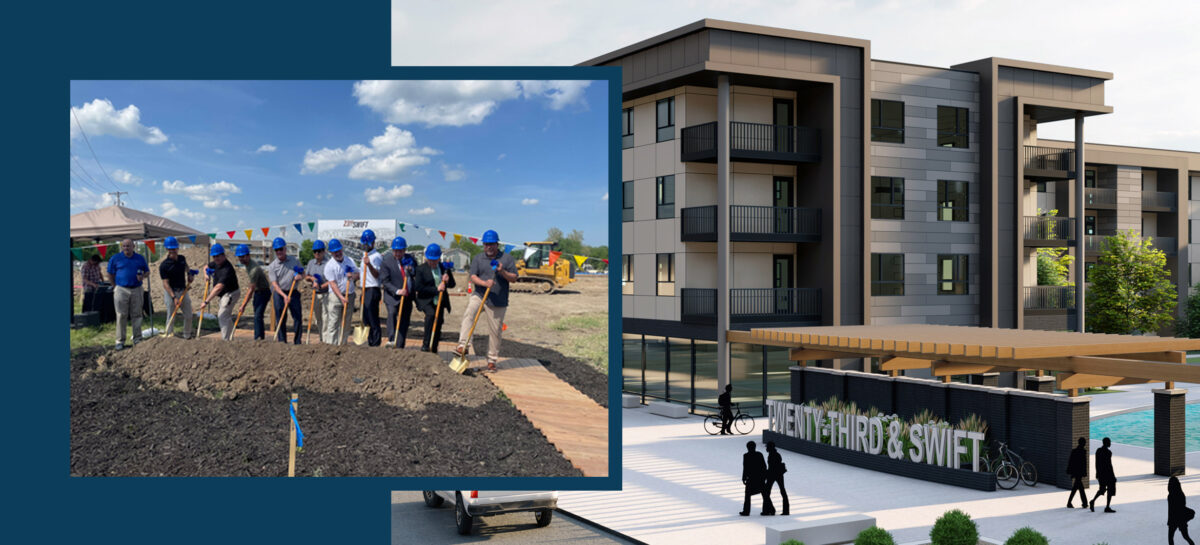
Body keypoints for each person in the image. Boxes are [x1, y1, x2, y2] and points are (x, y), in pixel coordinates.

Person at [455, 229, 517, 372]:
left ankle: (492, 360)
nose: (488, 247)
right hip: (480, 294)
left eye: (491, 244)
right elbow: (473, 277)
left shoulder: (507, 259)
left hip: (498, 300)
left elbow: (514, 278)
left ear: (497, 244)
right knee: (469, 314)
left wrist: (502, 271)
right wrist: (484, 283)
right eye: (486, 244)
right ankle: (463, 346)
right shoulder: (478, 258)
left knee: (495, 331)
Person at [107, 239, 150, 350]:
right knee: (121, 315)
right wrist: (115, 286)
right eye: (124, 246)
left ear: (133, 246)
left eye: (128, 246)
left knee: (137, 314)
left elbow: (147, 271)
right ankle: (120, 341)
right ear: (122, 247)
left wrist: (143, 276)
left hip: (137, 289)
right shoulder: (115, 258)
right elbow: (110, 273)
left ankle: (137, 339)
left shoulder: (140, 258)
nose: (126, 248)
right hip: (121, 289)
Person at [412, 243, 455, 353]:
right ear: (426, 258)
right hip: (426, 300)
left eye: (435, 260)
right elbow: (418, 287)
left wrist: (447, 280)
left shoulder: (443, 268)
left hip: (440, 301)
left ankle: (434, 348)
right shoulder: (421, 269)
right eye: (430, 260)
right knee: (431, 316)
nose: (432, 263)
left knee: (439, 322)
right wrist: (437, 289)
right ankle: (426, 345)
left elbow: (452, 284)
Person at [198, 243, 240, 340]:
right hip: (223, 294)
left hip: (231, 293)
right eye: (214, 256)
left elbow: (218, 288)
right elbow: (206, 267)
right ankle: (230, 336)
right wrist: (206, 275)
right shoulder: (216, 263)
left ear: (223, 255)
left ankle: (225, 340)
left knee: (222, 315)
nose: (216, 258)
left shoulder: (227, 269)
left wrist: (206, 301)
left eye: (218, 256)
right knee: (225, 315)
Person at [267, 237, 305, 344]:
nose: (279, 252)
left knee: (297, 317)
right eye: (277, 250)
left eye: (281, 249)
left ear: (285, 249)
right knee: (281, 318)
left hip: (293, 293)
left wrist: (300, 277)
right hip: (279, 293)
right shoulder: (272, 266)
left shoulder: (294, 261)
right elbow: (274, 284)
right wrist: (284, 296)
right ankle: (282, 342)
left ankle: (297, 342)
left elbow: (303, 273)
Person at [378, 236, 414, 348]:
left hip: (407, 297)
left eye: (400, 251)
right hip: (392, 297)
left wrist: (411, 270)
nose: (398, 253)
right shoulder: (386, 262)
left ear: (404, 250)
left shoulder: (410, 259)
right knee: (392, 314)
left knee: (404, 321)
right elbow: (385, 281)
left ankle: (400, 345)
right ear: (392, 250)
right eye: (396, 251)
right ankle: (392, 339)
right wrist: (398, 291)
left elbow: (415, 273)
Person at [322, 239, 358, 345]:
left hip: (350, 294)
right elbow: (332, 284)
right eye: (335, 252)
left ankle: (343, 344)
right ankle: (331, 346)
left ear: (342, 249)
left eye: (339, 250)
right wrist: (341, 298)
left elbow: (358, 274)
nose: (338, 253)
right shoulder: (329, 266)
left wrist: (353, 276)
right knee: (333, 322)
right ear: (331, 253)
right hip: (335, 296)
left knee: (346, 323)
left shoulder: (350, 260)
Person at [158, 236, 194, 339]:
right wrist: (174, 297)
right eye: (170, 249)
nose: (173, 250)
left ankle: (187, 335)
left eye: (174, 248)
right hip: (171, 292)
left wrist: (189, 274)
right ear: (167, 249)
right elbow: (165, 284)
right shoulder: (164, 266)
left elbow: (186, 268)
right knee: (171, 315)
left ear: (177, 248)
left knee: (188, 314)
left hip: (183, 290)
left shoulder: (182, 259)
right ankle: (169, 335)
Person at [235, 244, 270, 340]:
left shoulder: (254, 269)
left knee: (258, 315)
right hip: (258, 292)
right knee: (257, 315)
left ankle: (258, 338)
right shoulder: (247, 265)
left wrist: (243, 305)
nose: (240, 259)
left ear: (248, 256)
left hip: (264, 292)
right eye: (239, 257)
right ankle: (259, 336)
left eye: (242, 256)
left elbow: (251, 289)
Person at [358, 229, 384, 347]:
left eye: (367, 243)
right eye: (364, 244)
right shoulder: (364, 255)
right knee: (365, 318)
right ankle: (370, 341)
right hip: (364, 290)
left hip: (372, 289)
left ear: (373, 243)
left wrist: (369, 264)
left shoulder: (376, 256)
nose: (365, 246)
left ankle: (376, 343)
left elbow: (377, 274)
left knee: (373, 318)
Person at [305, 240, 330, 342]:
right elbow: (306, 276)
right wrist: (312, 279)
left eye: (319, 251)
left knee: (326, 318)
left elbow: (332, 281)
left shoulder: (328, 263)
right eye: (315, 251)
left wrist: (321, 286)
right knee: (318, 318)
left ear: (323, 251)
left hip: (326, 294)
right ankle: (321, 338)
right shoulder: (311, 263)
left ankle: (326, 340)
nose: (317, 253)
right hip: (315, 294)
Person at [740, 441, 771, 516]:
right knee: (765, 495)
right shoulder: (759, 454)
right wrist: (764, 477)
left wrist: (744, 478)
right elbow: (764, 466)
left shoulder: (746, 456)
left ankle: (746, 511)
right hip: (760, 478)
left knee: (747, 495)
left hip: (751, 478)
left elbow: (745, 468)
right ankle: (768, 510)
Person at [1091, 437, 1117, 513]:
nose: (1110, 443)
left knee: (1102, 489)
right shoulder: (1109, 453)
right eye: (1109, 442)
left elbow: (1097, 463)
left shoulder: (1098, 451)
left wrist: (1097, 473)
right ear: (1106, 443)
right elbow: (1109, 465)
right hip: (1108, 474)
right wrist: (1113, 476)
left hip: (1101, 474)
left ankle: (1093, 501)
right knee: (1109, 490)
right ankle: (1107, 507)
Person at [1169, 475, 1195, 545]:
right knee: (1186, 537)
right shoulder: (1180, 494)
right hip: (1181, 519)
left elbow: (1171, 510)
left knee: (1171, 538)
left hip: (1174, 520)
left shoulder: (1170, 495)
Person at [764, 441, 788, 516]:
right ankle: (786, 510)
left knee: (766, 492)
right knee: (782, 491)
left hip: (772, 475)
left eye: (767, 447)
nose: (766, 448)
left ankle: (768, 510)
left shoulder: (771, 455)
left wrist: (766, 474)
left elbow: (771, 467)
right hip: (779, 474)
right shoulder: (777, 454)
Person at [1067, 436, 1089, 509]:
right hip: (1079, 472)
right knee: (1079, 488)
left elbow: (1071, 462)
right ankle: (1084, 503)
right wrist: (1084, 472)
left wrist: (1070, 472)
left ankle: (1070, 502)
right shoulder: (1083, 451)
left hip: (1076, 472)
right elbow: (1083, 464)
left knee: (1076, 487)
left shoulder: (1074, 451)